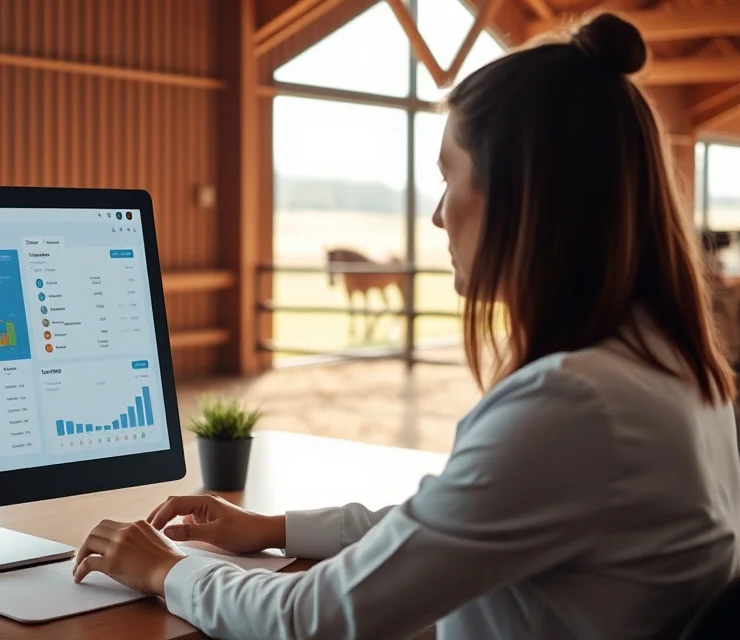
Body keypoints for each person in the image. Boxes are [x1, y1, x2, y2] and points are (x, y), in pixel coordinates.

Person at [72, 13, 740, 639]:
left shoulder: (574, 406)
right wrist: (275, 527)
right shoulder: (671, 370)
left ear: (521, 198)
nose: (439, 216)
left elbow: (313, 618)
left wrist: (165, 568)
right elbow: (456, 519)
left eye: (451, 178)